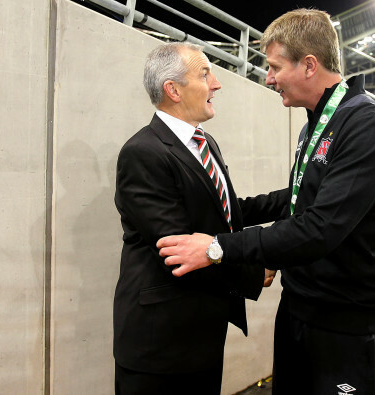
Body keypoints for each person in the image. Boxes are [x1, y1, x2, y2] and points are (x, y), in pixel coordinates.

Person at [157, 8, 375, 395]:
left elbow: (320, 227)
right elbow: (297, 199)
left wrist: (217, 247)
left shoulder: (366, 123)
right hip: (300, 306)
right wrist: (228, 212)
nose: (268, 78)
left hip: (346, 320)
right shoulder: (318, 120)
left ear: (309, 65)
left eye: (274, 67)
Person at [113, 42, 275, 394]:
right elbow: (179, 248)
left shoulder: (205, 143)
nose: (216, 83)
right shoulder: (143, 153)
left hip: (200, 334)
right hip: (161, 346)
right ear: (173, 89)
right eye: (204, 74)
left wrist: (294, 199)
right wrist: (252, 268)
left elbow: (226, 212)